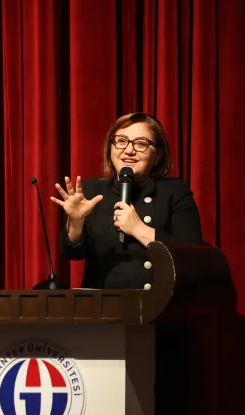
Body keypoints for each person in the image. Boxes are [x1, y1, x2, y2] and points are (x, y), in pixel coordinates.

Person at [51, 112, 203, 290]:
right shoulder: (91, 190)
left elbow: (191, 255)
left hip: (158, 302)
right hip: (104, 303)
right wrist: (76, 223)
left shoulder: (174, 191)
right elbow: (73, 253)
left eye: (141, 144)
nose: (129, 150)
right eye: (121, 141)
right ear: (110, 148)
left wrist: (138, 229)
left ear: (158, 155)